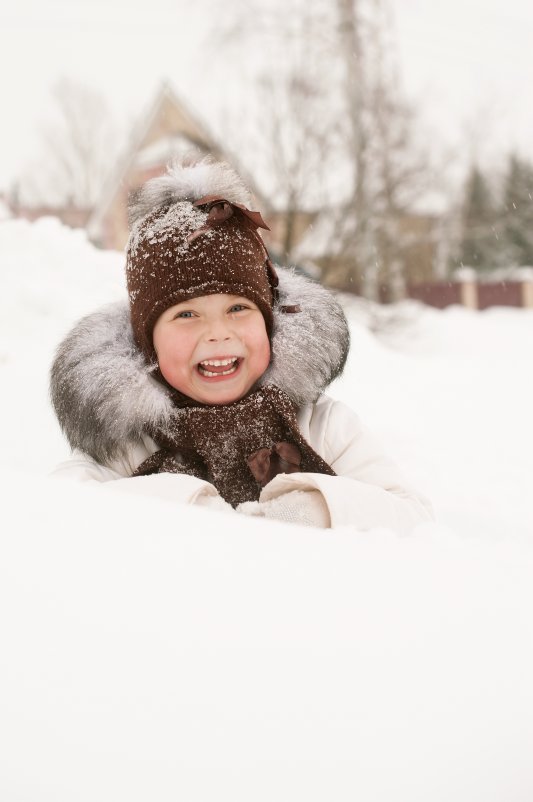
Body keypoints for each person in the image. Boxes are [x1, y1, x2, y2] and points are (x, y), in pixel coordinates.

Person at [50, 156, 433, 531]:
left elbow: (411, 517)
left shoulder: (321, 426)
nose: (218, 333)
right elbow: (60, 507)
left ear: (269, 321)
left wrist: (316, 509)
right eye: (186, 315)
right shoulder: (132, 441)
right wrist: (188, 508)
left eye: (237, 308)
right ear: (146, 341)